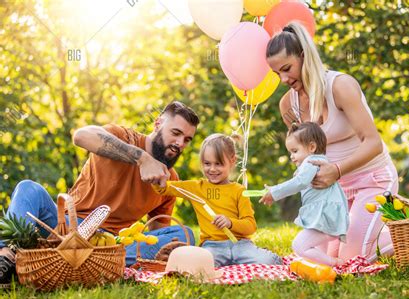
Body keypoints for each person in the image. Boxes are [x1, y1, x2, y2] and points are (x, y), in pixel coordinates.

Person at [0, 101, 200, 286]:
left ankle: (85, 260)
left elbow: (155, 233)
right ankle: (5, 258)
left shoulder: (169, 179)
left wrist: (163, 253)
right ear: (157, 124)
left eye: (187, 139)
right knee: (28, 189)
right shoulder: (122, 137)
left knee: (185, 234)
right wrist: (141, 158)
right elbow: (81, 136)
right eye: (175, 133)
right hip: (68, 229)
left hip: (113, 245)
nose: (180, 143)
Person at [266, 22, 399, 263]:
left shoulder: (340, 86)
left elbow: (374, 143)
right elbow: (305, 156)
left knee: (351, 260)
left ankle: (397, 236)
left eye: (287, 68)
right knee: (328, 258)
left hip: (374, 180)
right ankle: (372, 233)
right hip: (335, 195)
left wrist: (336, 171)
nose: (283, 79)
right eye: (277, 74)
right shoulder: (288, 105)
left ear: (304, 57)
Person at [152, 133, 282, 267]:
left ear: (232, 161)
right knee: (199, 266)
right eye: (207, 164)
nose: (212, 169)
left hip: (241, 245)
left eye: (218, 164)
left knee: (271, 262)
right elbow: (165, 188)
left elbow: (250, 226)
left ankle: (257, 254)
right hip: (212, 246)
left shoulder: (239, 190)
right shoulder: (196, 188)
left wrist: (230, 223)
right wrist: (156, 178)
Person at [259, 122, 349, 266]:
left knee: (299, 245)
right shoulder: (315, 162)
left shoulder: (312, 161)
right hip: (325, 215)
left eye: (294, 151)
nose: (291, 157)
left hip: (324, 216)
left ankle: (336, 263)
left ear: (311, 147)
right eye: (290, 153)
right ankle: (323, 268)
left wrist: (274, 192)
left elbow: (299, 182)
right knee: (318, 251)